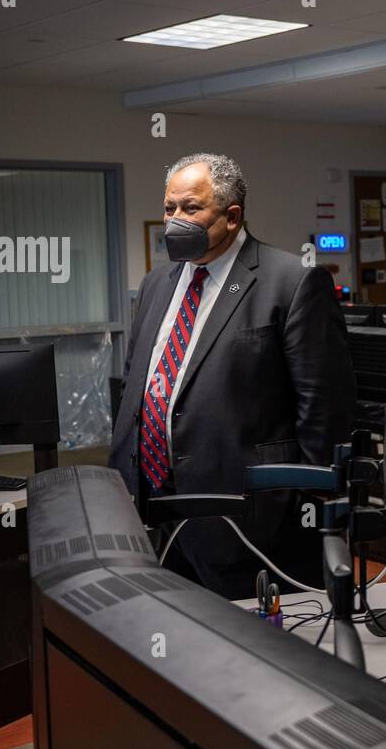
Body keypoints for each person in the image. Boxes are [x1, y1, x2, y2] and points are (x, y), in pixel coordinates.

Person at [109, 153, 356, 599]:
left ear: (231, 216)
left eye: (190, 208)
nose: (175, 220)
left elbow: (324, 408)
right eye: (169, 209)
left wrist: (303, 501)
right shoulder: (156, 283)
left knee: (252, 651)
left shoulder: (292, 281)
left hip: (248, 517)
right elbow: (135, 384)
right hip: (153, 508)